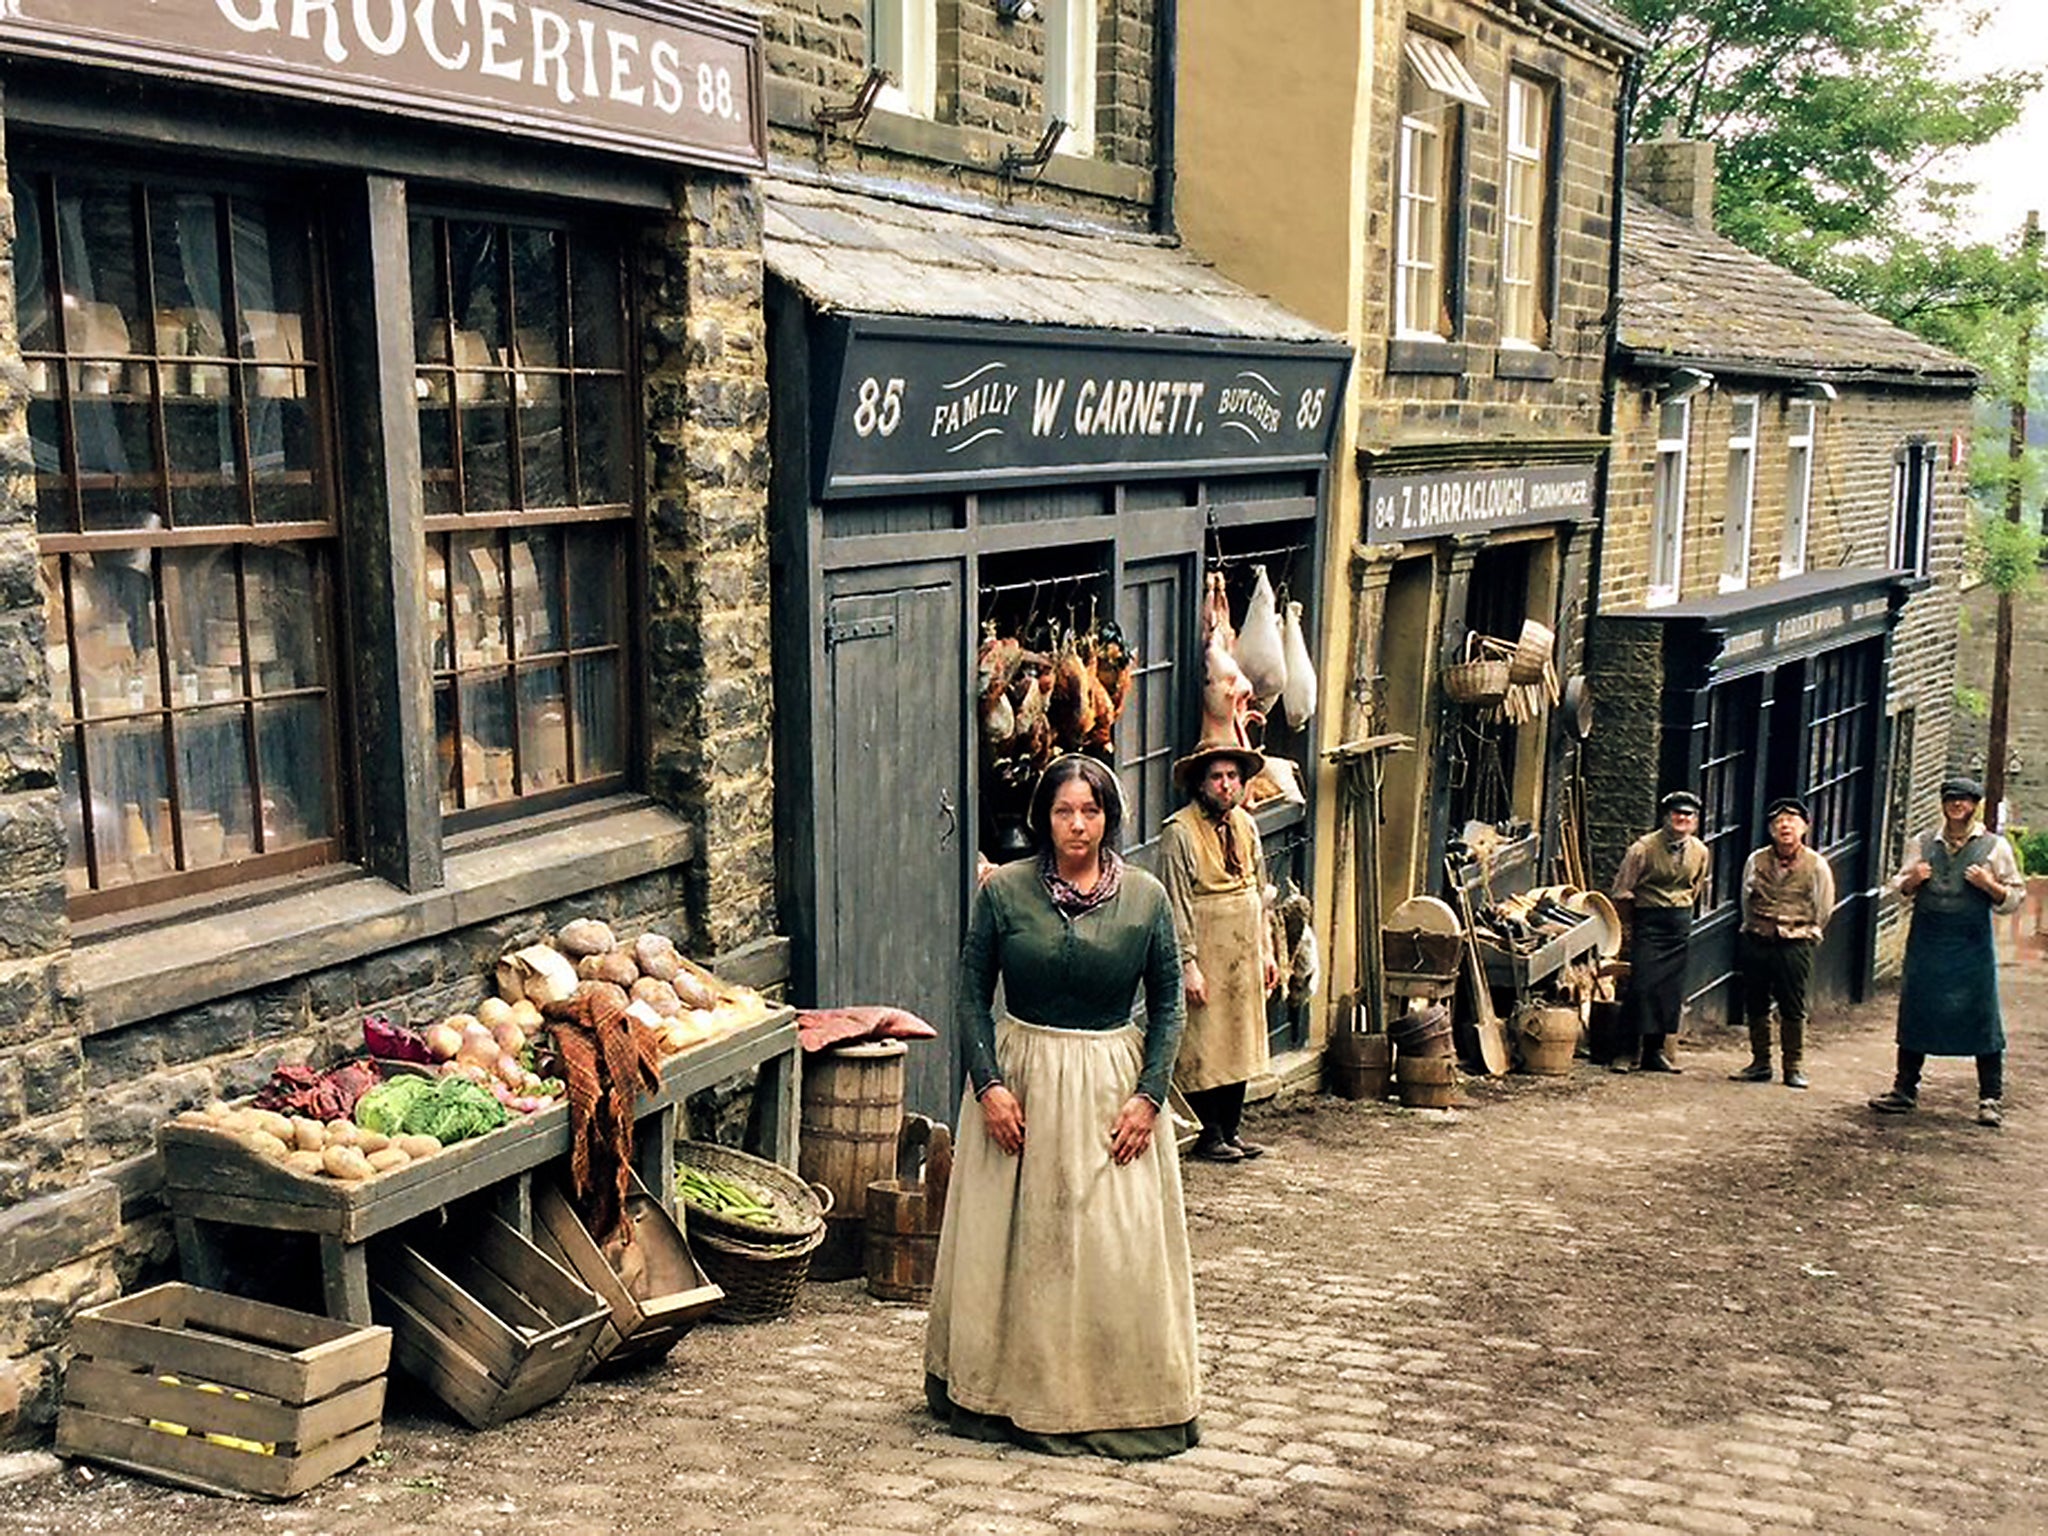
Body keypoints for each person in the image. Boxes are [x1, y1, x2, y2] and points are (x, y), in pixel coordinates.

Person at [924, 753, 1201, 1457]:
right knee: (1017, 1246)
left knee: (1112, 1246)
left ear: (1110, 818)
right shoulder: (1005, 894)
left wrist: (1149, 1096)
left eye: (1091, 811)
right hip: (1023, 1083)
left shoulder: (1145, 899)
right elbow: (969, 994)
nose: (1078, 825)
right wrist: (988, 1087)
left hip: (1111, 1084)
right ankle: (1001, 1395)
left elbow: (1168, 1005)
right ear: (1042, 819)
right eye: (1063, 811)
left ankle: (1117, 1401)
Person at [1868, 776, 2023, 1128]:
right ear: (1943, 803)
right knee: (1916, 1012)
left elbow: (2015, 896)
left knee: (1982, 1018)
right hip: (1927, 944)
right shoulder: (1922, 844)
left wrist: (1990, 886)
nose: (1957, 806)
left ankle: (1990, 1098)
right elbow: (1897, 889)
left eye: (1965, 800)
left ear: (1975, 805)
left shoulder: (1994, 848)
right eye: (1952, 799)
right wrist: (1912, 880)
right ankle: (1904, 1089)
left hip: (1972, 948)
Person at [1160, 737, 1279, 1163]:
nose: (1225, 785)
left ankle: (1232, 1127)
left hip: (1243, 947)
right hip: (1206, 946)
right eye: (1216, 777)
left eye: (1232, 776)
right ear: (1200, 783)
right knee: (1206, 1041)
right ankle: (1208, 1131)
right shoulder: (1180, 832)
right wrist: (1188, 964)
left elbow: (1260, 891)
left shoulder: (1245, 826)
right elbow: (1175, 902)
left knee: (1240, 1037)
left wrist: (1266, 950)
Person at [1731, 796, 1836, 1090]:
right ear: (1770, 829)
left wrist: (1811, 930)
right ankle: (1760, 1062)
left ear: (1804, 827)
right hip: (1758, 938)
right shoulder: (1756, 859)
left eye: (1791, 821)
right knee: (1755, 1001)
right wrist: (1751, 925)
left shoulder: (1816, 865)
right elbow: (1745, 896)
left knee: (1792, 1004)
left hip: (1794, 942)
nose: (1785, 827)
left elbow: (1824, 905)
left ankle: (1793, 1066)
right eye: (1779, 822)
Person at [1612, 789, 1710, 1073]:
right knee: (1641, 987)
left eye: (1688, 815)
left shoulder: (1700, 851)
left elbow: (1697, 886)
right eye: (1677, 813)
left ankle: (1654, 1052)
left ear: (1695, 820)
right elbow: (1622, 889)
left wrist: (1682, 912)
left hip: (1678, 924)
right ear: (1666, 817)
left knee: (1668, 991)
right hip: (1649, 921)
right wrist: (1631, 926)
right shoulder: (1642, 849)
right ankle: (1625, 1051)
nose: (1682, 819)